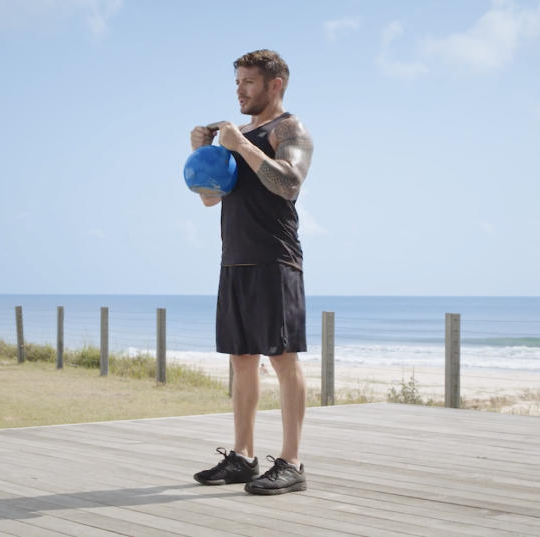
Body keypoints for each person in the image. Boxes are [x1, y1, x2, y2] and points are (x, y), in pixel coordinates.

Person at [190, 49, 314, 495]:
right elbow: (210, 198)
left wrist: (241, 146)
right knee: (242, 359)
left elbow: (289, 183)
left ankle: (292, 462)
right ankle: (243, 457)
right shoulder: (238, 135)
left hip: (276, 259)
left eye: (248, 82)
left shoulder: (290, 129)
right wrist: (201, 153)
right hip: (235, 259)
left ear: (274, 84)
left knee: (282, 358)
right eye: (237, 82)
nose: (239, 90)